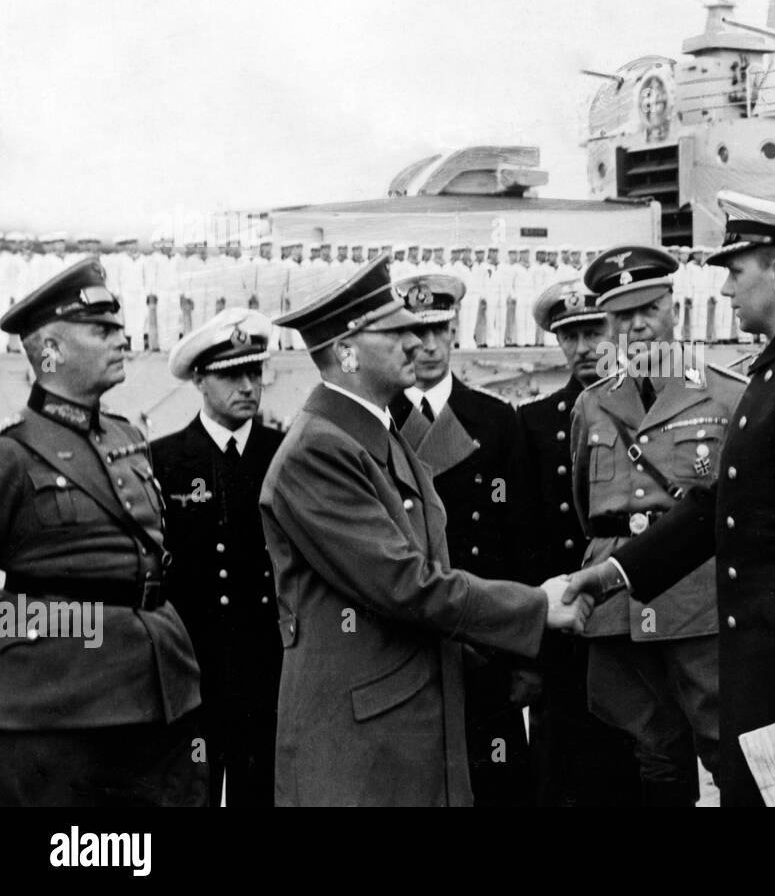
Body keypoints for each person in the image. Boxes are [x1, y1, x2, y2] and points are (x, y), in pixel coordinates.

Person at [564, 192, 775, 807]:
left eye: (735, 272)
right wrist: (615, 572)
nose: (724, 292)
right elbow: (726, 500)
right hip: (765, 660)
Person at [260, 256, 591, 806]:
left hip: (406, 721)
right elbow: (404, 583)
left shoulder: (375, 435)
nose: (416, 345)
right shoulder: (318, 451)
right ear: (346, 351)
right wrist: (535, 607)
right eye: (396, 332)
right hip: (362, 743)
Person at [0, 258, 205, 805]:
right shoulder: (12, 455)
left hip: (162, 691)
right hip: (61, 709)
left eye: (119, 328)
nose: (121, 340)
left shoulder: (129, 438)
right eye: (102, 331)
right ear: (50, 351)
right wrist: (61, 634)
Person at [566, 244, 745, 807]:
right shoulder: (592, 405)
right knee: (651, 750)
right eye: (622, 316)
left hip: (696, 600)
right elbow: (584, 506)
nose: (637, 326)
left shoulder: (726, 393)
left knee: (726, 743)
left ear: (676, 310)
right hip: (617, 606)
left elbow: (735, 508)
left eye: (648, 309)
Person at [387, 271, 538, 806]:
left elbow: (521, 538)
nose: (427, 346)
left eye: (439, 330)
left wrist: (527, 654)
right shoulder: (380, 425)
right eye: (415, 332)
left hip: (486, 640)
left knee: (495, 784)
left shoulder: (496, 420)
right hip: (411, 640)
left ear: (455, 332)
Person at [152, 308, 283, 807]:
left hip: (269, 667)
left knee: (264, 792)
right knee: (191, 792)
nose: (248, 386)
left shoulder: (285, 453)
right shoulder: (162, 460)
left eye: (255, 373)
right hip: (193, 667)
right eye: (232, 375)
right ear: (200, 380)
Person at [519, 279, 642, 807]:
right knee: (565, 772)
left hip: (639, 619)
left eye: (594, 331)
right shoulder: (531, 424)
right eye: (570, 336)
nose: (584, 348)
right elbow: (526, 538)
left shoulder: (651, 408)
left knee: (644, 769)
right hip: (567, 628)